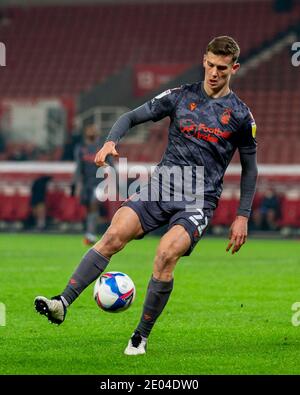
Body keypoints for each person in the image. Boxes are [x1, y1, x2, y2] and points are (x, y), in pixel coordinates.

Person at [34, 36, 258, 355]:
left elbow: (250, 169)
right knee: (113, 235)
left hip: (198, 199)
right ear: (203, 61)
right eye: (209, 65)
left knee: (165, 255)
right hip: (160, 187)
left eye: (222, 68)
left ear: (233, 68)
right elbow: (130, 117)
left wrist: (242, 215)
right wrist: (111, 141)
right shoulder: (180, 96)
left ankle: (140, 336)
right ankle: (62, 303)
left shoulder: (241, 116)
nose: (213, 73)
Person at [72, 123, 112, 245]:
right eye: (89, 130)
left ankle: (91, 234)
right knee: (89, 208)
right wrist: (77, 184)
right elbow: (78, 168)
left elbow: (111, 164)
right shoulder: (81, 148)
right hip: (86, 183)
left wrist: (109, 181)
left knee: (94, 204)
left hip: (99, 182)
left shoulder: (101, 148)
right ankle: (90, 232)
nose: (91, 132)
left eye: (93, 130)